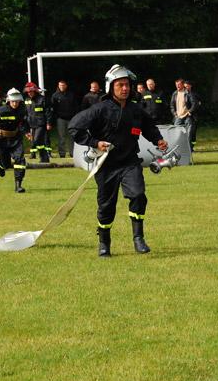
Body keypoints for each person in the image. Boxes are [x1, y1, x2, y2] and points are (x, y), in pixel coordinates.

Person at [69, 64, 167, 257]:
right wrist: (95, 143)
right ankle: (104, 243)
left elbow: (148, 126)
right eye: (120, 85)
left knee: (138, 195)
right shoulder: (99, 109)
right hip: (106, 166)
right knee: (106, 206)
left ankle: (138, 238)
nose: (125, 88)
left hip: (130, 162)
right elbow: (74, 127)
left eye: (127, 85)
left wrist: (158, 139)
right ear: (110, 86)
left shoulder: (135, 110)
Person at [0, 88, 30, 193]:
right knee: (6, 164)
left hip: (16, 139)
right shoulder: (0, 111)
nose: (15, 104)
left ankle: (18, 185)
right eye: (13, 101)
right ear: (8, 101)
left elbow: (24, 122)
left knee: (20, 160)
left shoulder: (22, 111)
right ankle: (1, 165)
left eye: (17, 101)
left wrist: (26, 131)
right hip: (1, 140)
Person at [50, 80, 78, 158]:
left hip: (71, 119)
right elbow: (52, 108)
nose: (62, 87)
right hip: (60, 119)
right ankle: (62, 153)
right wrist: (54, 118)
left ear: (66, 86)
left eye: (63, 85)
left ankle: (72, 153)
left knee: (71, 137)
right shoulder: (55, 95)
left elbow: (76, 106)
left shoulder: (71, 95)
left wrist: (75, 117)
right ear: (58, 86)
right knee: (61, 137)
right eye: (60, 85)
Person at [23, 82, 51, 163]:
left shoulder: (42, 99)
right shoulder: (26, 100)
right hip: (31, 123)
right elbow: (25, 112)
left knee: (36, 140)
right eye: (28, 92)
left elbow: (48, 112)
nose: (29, 93)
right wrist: (26, 128)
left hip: (41, 123)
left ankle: (42, 156)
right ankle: (44, 158)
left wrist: (48, 123)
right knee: (40, 142)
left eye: (31, 92)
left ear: (35, 91)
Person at [184, 80, 201, 150]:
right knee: (189, 133)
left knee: (192, 134)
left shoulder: (194, 94)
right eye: (185, 86)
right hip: (186, 117)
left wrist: (190, 111)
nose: (186, 87)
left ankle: (191, 146)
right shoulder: (184, 94)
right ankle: (189, 147)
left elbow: (197, 104)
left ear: (190, 86)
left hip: (194, 117)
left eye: (187, 86)